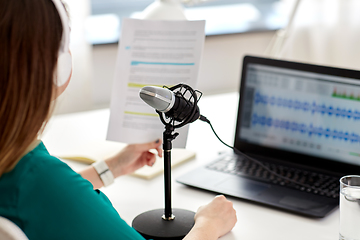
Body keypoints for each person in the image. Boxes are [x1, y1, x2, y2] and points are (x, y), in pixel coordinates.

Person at [0, 0, 237, 239]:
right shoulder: (39, 178)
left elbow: (45, 200)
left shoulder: (19, 163)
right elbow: (48, 192)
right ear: (55, 66)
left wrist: (109, 168)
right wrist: (209, 224)